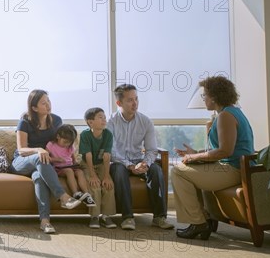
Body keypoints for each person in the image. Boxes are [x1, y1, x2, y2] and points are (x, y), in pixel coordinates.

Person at [172, 76, 254, 240]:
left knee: (178, 172)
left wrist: (194, 156)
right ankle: (203, 218)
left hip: (234, 169)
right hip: (232, 166)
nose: (204, 99)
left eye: (205, 95)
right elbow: (222, 149)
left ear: (215, 97)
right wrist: (195, 152)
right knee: (186, 169)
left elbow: (225, 151)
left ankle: (198, 223)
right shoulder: (229, 113)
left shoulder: (226, 116)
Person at [10, 89, 82, 234]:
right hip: (22, 161)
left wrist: (71, 158)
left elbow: (63, 142)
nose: (48, 105)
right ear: (34, 108)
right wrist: (38, 150)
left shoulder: (56, 120)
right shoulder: (24, 122)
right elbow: (21, 149)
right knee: (40, 157)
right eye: (43, 103)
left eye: (48, 101)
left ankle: (45, 221)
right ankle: (63, 196)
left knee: (39, 177)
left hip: (43, 164)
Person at [107, 84, 174, 231]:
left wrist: (145, 164)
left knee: (156, 170)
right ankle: (127, 217)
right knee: (118, 171)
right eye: (130, 100)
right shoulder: (110, 122)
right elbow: (111, 152)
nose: (135, 103)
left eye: (136, 99)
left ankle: (159, 217)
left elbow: (151, 150)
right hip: (119, 162)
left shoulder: (145, 121)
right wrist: (129, 165)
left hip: (139, 159)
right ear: (119, 103)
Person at [79, 107, 117, 229]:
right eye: (100, 117)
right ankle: (94, 216)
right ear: (90, 122)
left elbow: (107, 156)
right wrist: (92, 175)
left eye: (104, 117)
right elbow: (88, 155)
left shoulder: (108, 134)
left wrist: (106, 176)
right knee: (94, 185)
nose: (104, 120)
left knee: (108, 185)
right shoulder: (85, 135)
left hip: (102, 164)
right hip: (87, 164)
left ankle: (106, 216)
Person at [46, 124, 96, 207]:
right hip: (59, 168)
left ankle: (86, 194)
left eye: (69, 143)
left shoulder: (70, 146)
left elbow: (73, 158)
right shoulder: (51, 145)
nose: (66, 145)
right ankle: (75, 193)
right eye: (65, 142)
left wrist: (75, 163)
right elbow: (46, 157)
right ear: (58, 136)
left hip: (70, 166)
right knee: (69, 171)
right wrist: (56, 159)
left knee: (79, 172)